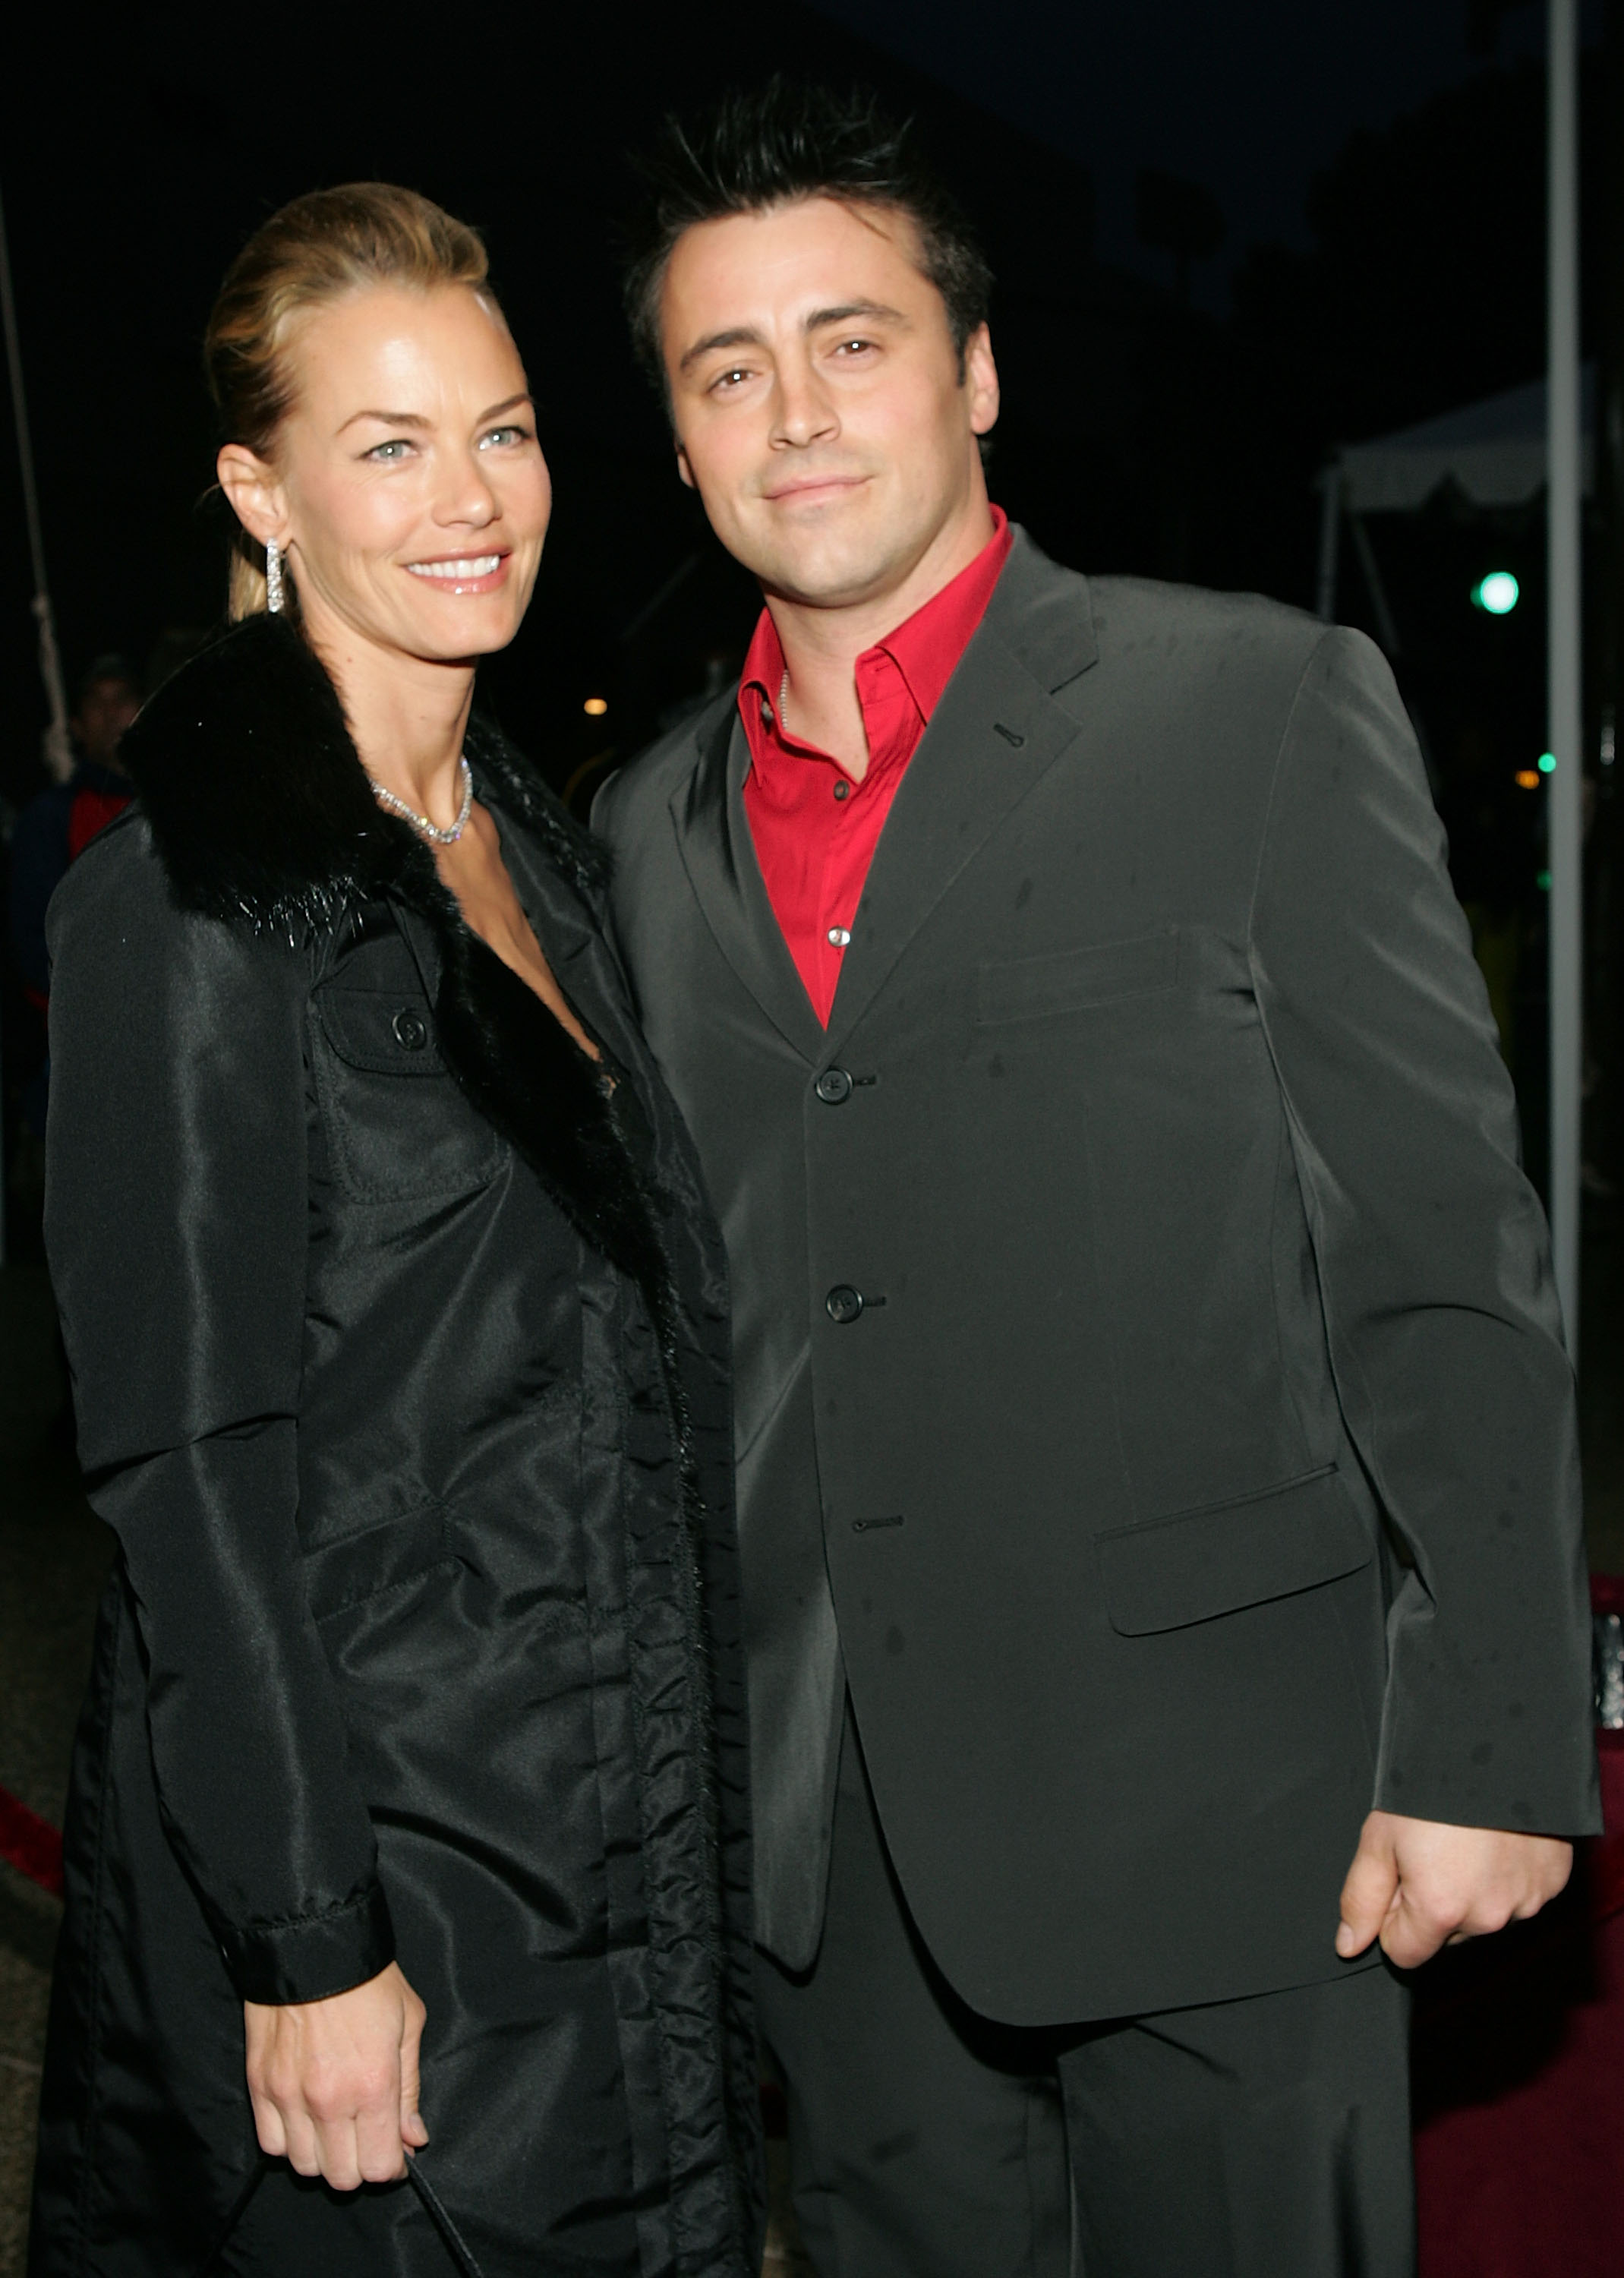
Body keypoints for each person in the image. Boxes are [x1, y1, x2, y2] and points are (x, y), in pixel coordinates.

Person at [592, 82, 1599, 2278]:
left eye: (850, 340)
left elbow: (1441, 1259)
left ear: (971, 372)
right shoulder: (639, 841)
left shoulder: (1248, 704)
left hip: (1231, 1811)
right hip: (827, 1843)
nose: (794, 411)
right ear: (676, 442)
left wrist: (1497, 1739)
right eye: (724, 367)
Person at [29, 185, 759, 2278]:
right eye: (390, 443)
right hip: (394, 1876)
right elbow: (190, 1479)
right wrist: (308, 1938)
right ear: (259, 489)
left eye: (506, 430)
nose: (474, 499)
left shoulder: (536, 836)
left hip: (602, 1826)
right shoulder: (185, 906)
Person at [8, 657, 140, 1156]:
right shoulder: (50, 818)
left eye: (122, 700)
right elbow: (34, 940)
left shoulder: (177, 816)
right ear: (78, 725)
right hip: (80, 1055)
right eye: (97, 703)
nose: (111, 715)